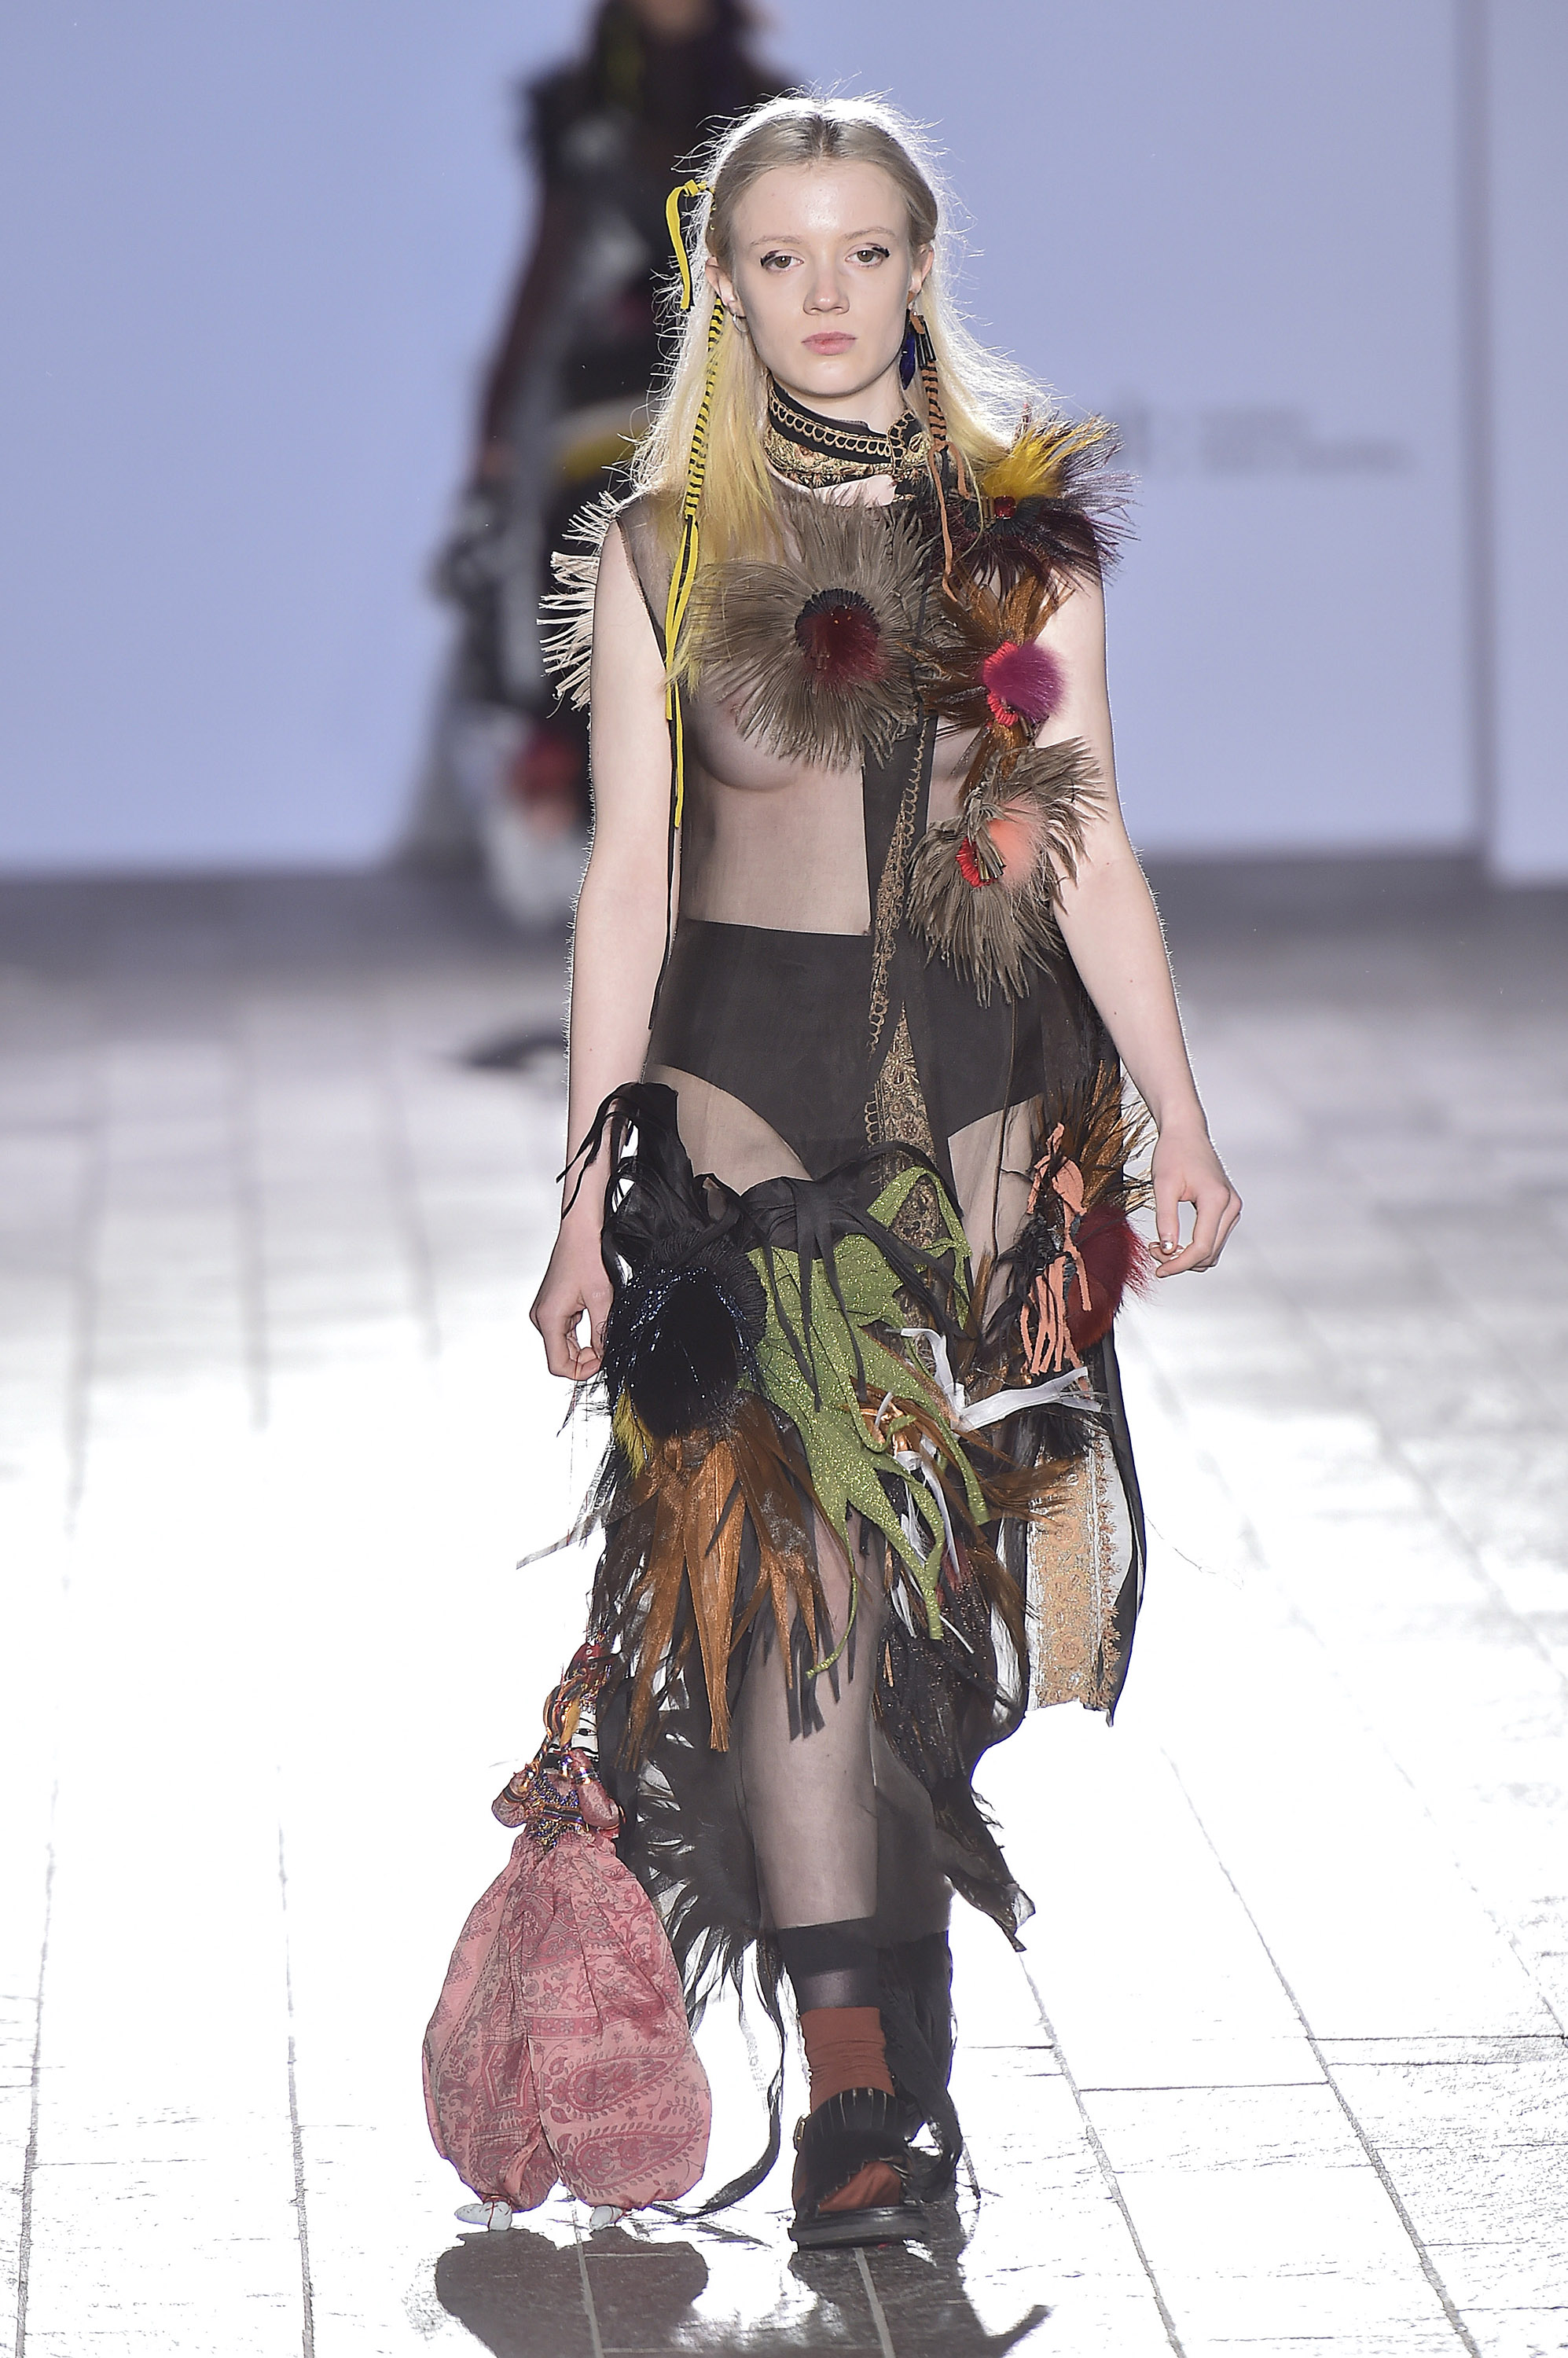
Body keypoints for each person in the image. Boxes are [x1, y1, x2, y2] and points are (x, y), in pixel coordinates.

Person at [529, 93, 1240, 2249]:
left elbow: (1085, 841)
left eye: (862, 252)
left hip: (987, 1115)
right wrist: (579, 1200)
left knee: (925, 1608)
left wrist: (1180, 1116)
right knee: (795, 1589)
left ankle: (880, 1995)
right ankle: (856, 2084)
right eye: (780, 257)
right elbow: (628, 891)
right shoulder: (665, 550)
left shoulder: (1021, 550)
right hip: (747, 1110)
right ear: (723, 285)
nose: (824, 294)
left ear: (921, 267)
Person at [417, 0, 782, 902]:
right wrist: (495, 436)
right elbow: (544, 269)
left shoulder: (774, 113)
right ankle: (596, 832)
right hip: (595, 412)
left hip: (720, 408)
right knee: (589, 615)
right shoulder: (576, 113)